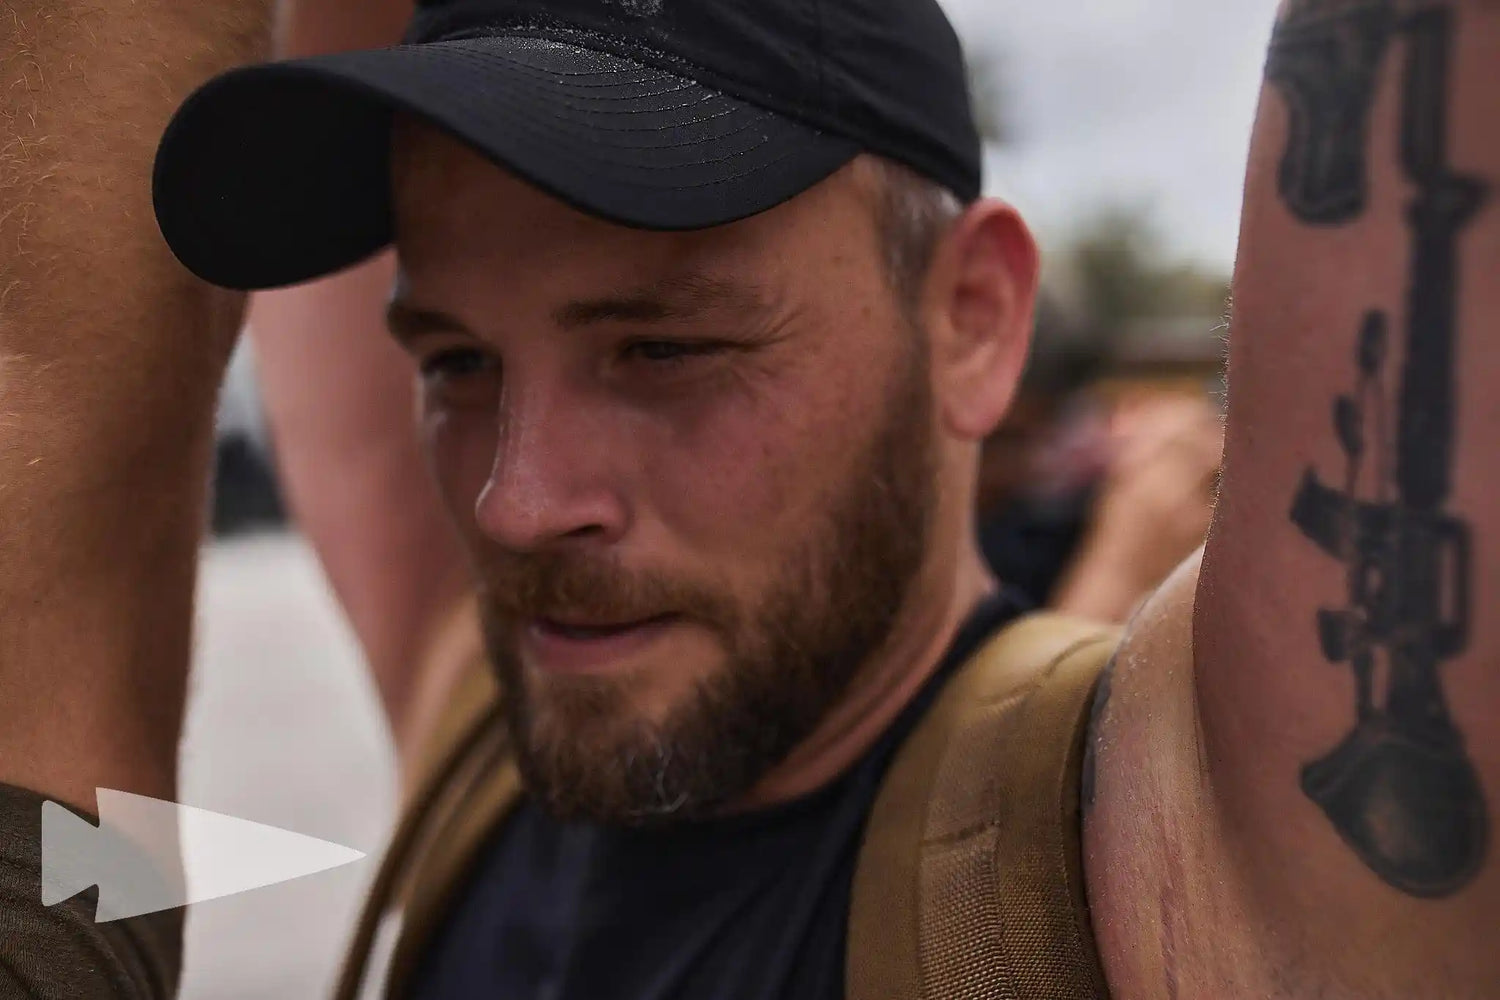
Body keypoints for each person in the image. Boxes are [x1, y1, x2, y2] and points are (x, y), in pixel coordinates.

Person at [0, 4, 1497, 1000]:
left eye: (664, 347)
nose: (519, 506)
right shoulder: (481, 737)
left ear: (973, 315)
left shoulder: (1169, 872)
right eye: (456, 362)